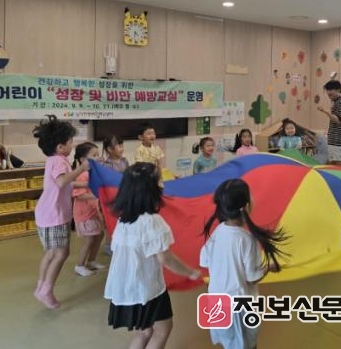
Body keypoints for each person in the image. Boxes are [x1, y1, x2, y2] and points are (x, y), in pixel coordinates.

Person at [104, 163, 201, 349]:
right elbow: (166, 259)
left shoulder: (124, 219)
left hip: (126, 287)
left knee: (145, 331)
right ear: (148, 189)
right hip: (146, 288)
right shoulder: (151, 221)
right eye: (159, 181)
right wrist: (190, 272)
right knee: (162, 329)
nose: (162, 185)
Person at [200, 179, 287, 349]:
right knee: (246, 345)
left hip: (216, 302)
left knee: (229, 344)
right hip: (239, 307)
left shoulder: (216, 233)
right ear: (246, 206)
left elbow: (205, 261)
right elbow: (252, 278)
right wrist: (268, 268)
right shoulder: (247, 240)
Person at [33, 115, 89, 309]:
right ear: (60, 146)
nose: (72, 145)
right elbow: (61, 181)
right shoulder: (60, 161)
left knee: (51, 253)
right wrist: (82, 168)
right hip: (54, 215)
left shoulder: (53, 159)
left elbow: (65, 184)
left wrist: (84, 184)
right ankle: (46, 290)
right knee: (62, 254)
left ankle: (41, 287)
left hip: (47, 214)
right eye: (70, 142)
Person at [71, 142, 106, 277]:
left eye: (97, 155)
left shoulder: (92, 172)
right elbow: (78, 196)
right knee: (89, 240)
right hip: (85, 214)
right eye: (94, 155)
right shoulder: (82, 175)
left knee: (100, 235)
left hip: (93, 211)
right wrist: (97, 195)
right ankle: (79, 265)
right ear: (83, 160)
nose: (97, 158)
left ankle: (91, 261)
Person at [318, 80, 341, 166]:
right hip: (335, 139)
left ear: (338, 90)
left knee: (339, 166)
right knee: (332, 163)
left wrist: (325, 111)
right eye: (327, 90)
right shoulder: (336, 101)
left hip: (338, 140)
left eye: (330, 90)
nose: (328, 93)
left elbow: (338, 120)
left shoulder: (340, 102)